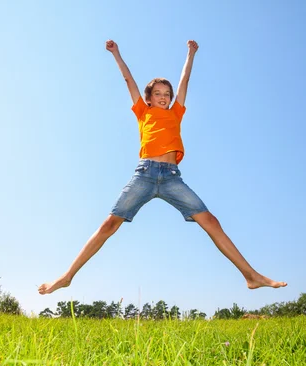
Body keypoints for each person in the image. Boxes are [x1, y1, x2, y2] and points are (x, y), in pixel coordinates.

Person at [38, 40, 286, 295]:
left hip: (171, 179)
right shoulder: (142, 112)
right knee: (109, 225)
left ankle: (251, 275)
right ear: (148, 98)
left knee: (211, 221)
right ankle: (67, 276)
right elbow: (128, 79)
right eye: (158, 94)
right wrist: (116, 54)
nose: (164, 97)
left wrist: (190, 54)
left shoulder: (176, 112)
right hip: (145, 174)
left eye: (167, 94)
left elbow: (185, 82)